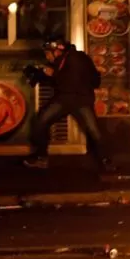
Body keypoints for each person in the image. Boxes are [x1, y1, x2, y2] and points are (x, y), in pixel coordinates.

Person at [23, 40, 114, 171]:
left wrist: (52, 74)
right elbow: (60, 78)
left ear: (57, 51)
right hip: (67, 98)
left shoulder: (76, 58)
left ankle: (105, 161)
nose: (47, 57)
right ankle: (41, 158)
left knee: (94, 130)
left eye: (48, 53)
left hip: (78, 99)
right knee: (41, 121)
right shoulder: (63, 60)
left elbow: (69, 79)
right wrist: (39, 74)